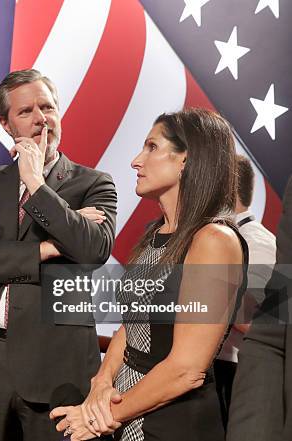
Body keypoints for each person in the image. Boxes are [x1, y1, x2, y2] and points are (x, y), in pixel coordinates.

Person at [0, 68, 117, 441]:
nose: (41, 119)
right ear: (6, 124)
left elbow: (92, 249)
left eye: (48, 107)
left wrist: (36, 184)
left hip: (55, 367)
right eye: (26, 112)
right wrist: (47, 248)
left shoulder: (94, 183)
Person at [51, 108, 247, 441]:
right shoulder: (156, 233)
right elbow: (132, 324)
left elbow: (187, 371)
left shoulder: (214, 241)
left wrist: (100, 417)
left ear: (186, 159)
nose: (136, 161)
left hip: (173, 423)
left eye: (151, 147)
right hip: (126, 413)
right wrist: (101, 384)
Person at [227, 176, 292, 441]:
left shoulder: (258, 242)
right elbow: (271, 329)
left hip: (225, 368)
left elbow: (252, 318)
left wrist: (207, 298)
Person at [214, 154, 276, 427]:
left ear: (225, 187)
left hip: (235, 375)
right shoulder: (229, 237)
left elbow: (255, 321)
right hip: (221, 372)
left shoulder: (257, 242)